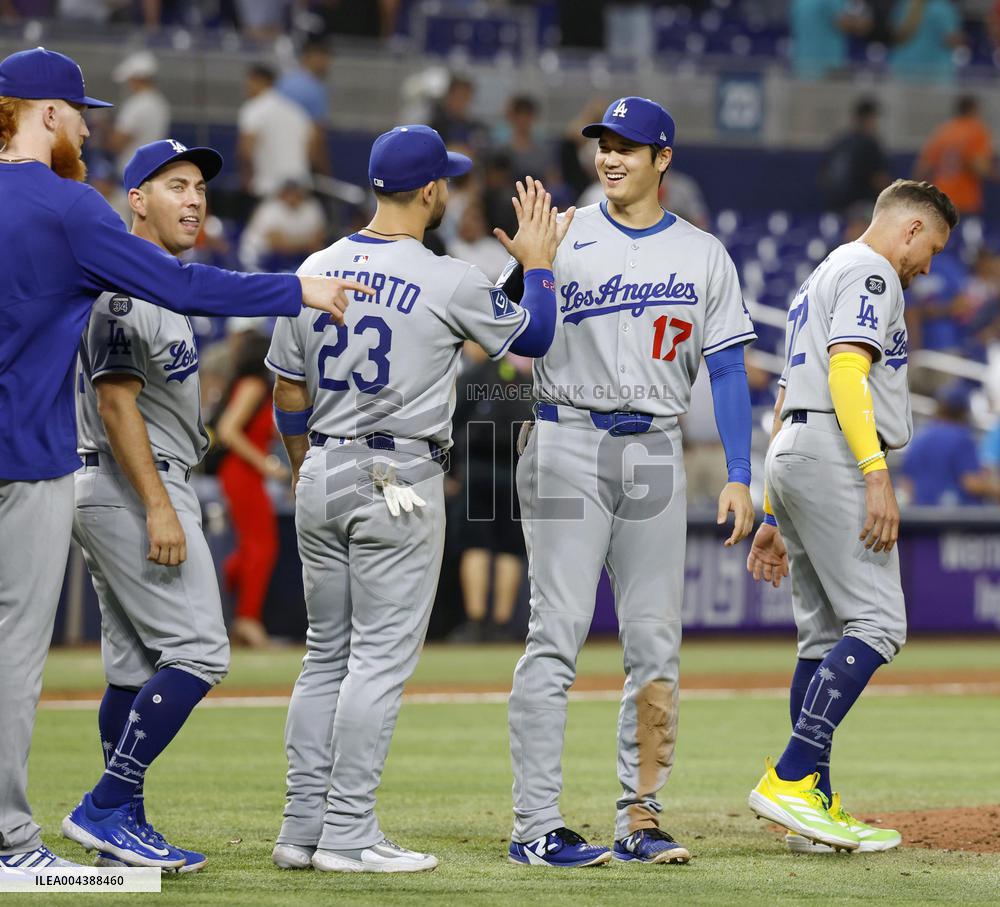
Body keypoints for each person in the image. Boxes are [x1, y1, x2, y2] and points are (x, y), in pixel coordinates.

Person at [0, 46, 367, 872]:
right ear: (49, 112)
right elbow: (187, 295)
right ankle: (23, 841)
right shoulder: (69, 207)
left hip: (63, 465)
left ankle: (108, 816)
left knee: (126, 661)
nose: (87, 128)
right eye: (80, 114)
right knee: (27, 659)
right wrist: (294, 289)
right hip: (31, 459)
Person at [265, 126, 571, 874]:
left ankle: (301, 829)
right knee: (375, 662)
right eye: (447, 183)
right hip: (397, 474)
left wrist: (309, 464)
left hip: (324, 467)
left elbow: (286, 390)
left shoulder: (315, 265)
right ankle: (347, 833)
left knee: (324, 657)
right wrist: (537, 265)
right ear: (431, 190)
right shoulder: (446, 275)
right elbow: (534, 336)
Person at [504, 97, 757, 868]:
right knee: (556, 632)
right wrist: (531, 266)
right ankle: (535, 823)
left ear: (663, 159)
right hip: (564, 437)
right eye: (604, 144)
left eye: (628, 146)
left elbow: (727, 370)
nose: (611, 157)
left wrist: (743, 473)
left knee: (654, 641)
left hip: (654, 446)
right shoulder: (561, 228)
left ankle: (640, 815)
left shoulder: (703, 252)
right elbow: (506, 340)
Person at [746, 179, 958, 853]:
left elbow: (785, 392)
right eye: (932, 248)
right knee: (879, 622)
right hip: (836, 450)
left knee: (821, 636)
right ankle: (790, 775)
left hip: (793, 446)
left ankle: (812, 805)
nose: (927, 267)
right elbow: (845, 373)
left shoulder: (822, 273)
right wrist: (875, 473)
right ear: (911, 230)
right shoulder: (872, 271)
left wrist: (776, 510)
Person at [62, 139, 233, 872]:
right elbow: (116, 401)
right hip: (134, 485)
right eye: (173, 186)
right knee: (200, 652)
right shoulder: (125, 291)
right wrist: (161, 505)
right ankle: (106, 803)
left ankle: (120, 827)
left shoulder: (158, 286)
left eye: (198, 186)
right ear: (136, 200)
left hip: (120, 483)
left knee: (133, 667)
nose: (192, 199)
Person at [449, 352, 535, 642]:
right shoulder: (529, 377)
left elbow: (453, 421)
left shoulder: (476, 375)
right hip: (516, 469)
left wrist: (451, 471)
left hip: (478, 469)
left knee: (476, 544)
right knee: (510, 547)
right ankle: (500, 625)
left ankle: (475, 623)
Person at [217, 332, 287, 649]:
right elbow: (227, 431)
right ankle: (246, 619)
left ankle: (235, 609)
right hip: (242, 473)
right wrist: (265, 464)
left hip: (244, 474)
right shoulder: (254, 385)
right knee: (262, 545)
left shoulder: (253, 385)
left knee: (251, 547)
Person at [900, 384, 1000, 505]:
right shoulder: (962, 439)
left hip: (922, 517)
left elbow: (906, 484)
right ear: (963, 412)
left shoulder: (920, 437)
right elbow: (971, 483)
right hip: (956, 518)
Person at [237, 64, 314, 199]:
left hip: (268, 189)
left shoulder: (253, 109)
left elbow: (246, 151)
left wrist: (246, 180)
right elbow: (312, 148)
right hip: (300, 191)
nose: (247, 86)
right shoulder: (297, 111)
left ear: (261, 81)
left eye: (250, 81)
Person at [914, 95, 994, 216]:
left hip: (940, 196)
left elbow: (923, 168)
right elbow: (977, 167)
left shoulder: (944, 130)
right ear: (973, 109)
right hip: (964, 198)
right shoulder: (976, 130)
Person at [239, 178, 328, 272]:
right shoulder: (270, 208)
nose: (291, 196)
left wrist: (291, 243)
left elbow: (319, 239)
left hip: (293, 258)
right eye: (288, 192)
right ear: (281, 193)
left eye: (294, 191)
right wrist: (306, 243)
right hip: (259, 259)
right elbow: (277, 245)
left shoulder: (312, 207)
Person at [822, 98, 890, 213]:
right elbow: (879, 179)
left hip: (834, 207)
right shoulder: (869, 143)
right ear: (870, 118)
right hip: (861, 208)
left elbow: (823, 176)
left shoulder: (839, 141)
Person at [107, 50, 169, 177]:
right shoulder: (160, 103)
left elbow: (117, 143)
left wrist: (104, 128)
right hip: (152, 170)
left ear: (137, 79)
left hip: (133, 173)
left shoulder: (136, 104)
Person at [789, 0, 870, 79]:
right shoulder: (831, 1)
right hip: (829, 67)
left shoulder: (797, 2)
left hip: (802, 66)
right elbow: (856, 27)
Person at [889, 0, 964, 84]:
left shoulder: (904, 4)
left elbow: (895, 33)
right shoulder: (943, 8)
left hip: (903, 69)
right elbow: (952, 40)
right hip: (936, 73)